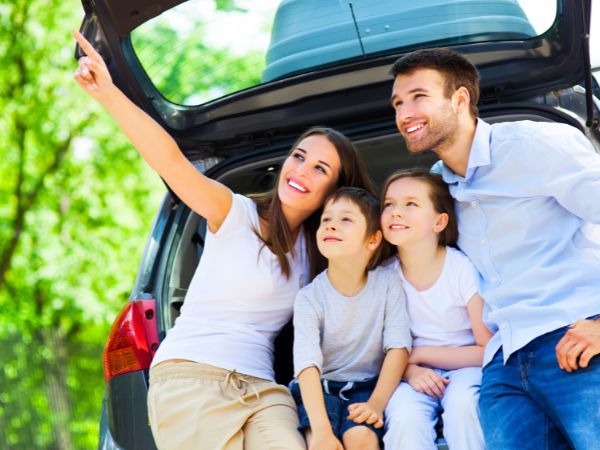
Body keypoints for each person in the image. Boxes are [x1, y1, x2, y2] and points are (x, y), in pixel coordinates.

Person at [73, 30, 374, 450]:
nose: (301, 171)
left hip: (263, 390)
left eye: (320, 169)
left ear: (335, 191)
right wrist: (108, 93)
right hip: (192, 378)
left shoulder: (322, 250)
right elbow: (170, 161)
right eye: (299, 156)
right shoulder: (235, 213)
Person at [389, 47, 600, 449]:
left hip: (577, 336)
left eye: (418, 97)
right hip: (503, 365)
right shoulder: (436, 188)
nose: (404, 113)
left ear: (460, 99)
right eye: (398, 103)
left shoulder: (535, 145)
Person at [291, 187, 411, 450]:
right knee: (321, 444)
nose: (331, 225)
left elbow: (398, 347)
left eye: (345, 219)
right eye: (326, 219)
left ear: (373, 239)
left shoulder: (388, 283)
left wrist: (376, 404)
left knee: (361, 439)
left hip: (367, 388)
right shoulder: (309, 297)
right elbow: (307, 365)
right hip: (318, 389)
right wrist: (322, 432)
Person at [380, 168, 491, 450]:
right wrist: (410, 370)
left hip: (466, 366)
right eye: (389, 204)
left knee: (464, 405)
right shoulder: (384, 277)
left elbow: (487, 350)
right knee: (404, 417)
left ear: (439, 222)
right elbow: (378, 352)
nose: (396, 212)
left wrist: (419, 355)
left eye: (410, 204)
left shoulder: (461, 269)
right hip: (409, 372)